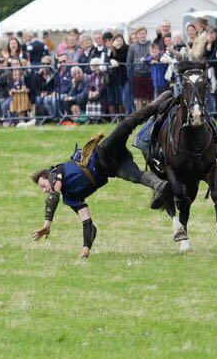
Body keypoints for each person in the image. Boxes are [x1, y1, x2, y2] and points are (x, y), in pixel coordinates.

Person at [29, 92, 172, 258]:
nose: (44, 190)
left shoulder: (57, 171)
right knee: (136, 176)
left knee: (126, 125)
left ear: (48, 176)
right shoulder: (70, 199)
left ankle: (155, 105)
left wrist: (47, 223)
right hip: (112, 169)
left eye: (42, 185)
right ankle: (160, 185)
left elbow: (54, 194)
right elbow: (88, 224)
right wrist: (85, 250)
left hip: (103, 153)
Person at [126, 26, 152, 110]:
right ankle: (139, 116)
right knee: (138, 98)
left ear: (146, 34)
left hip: (149, 74)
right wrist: (129, 74)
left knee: (149, 97)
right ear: (137, 35)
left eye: (143, 33)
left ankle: (149, 115)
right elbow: (129, 62)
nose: (142, 35)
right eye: (140, 34)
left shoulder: (151, 45)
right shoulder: (132, 47)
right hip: (137, 75)